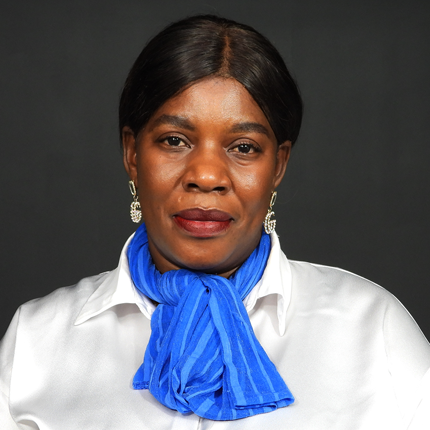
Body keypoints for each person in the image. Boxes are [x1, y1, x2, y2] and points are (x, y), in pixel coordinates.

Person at [1, 14, 429, 430]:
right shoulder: (37, 341)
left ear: (278, 166)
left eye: (243, 147)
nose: (206, 176)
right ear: (132, 153)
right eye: (174, 140)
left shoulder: (373, 330)